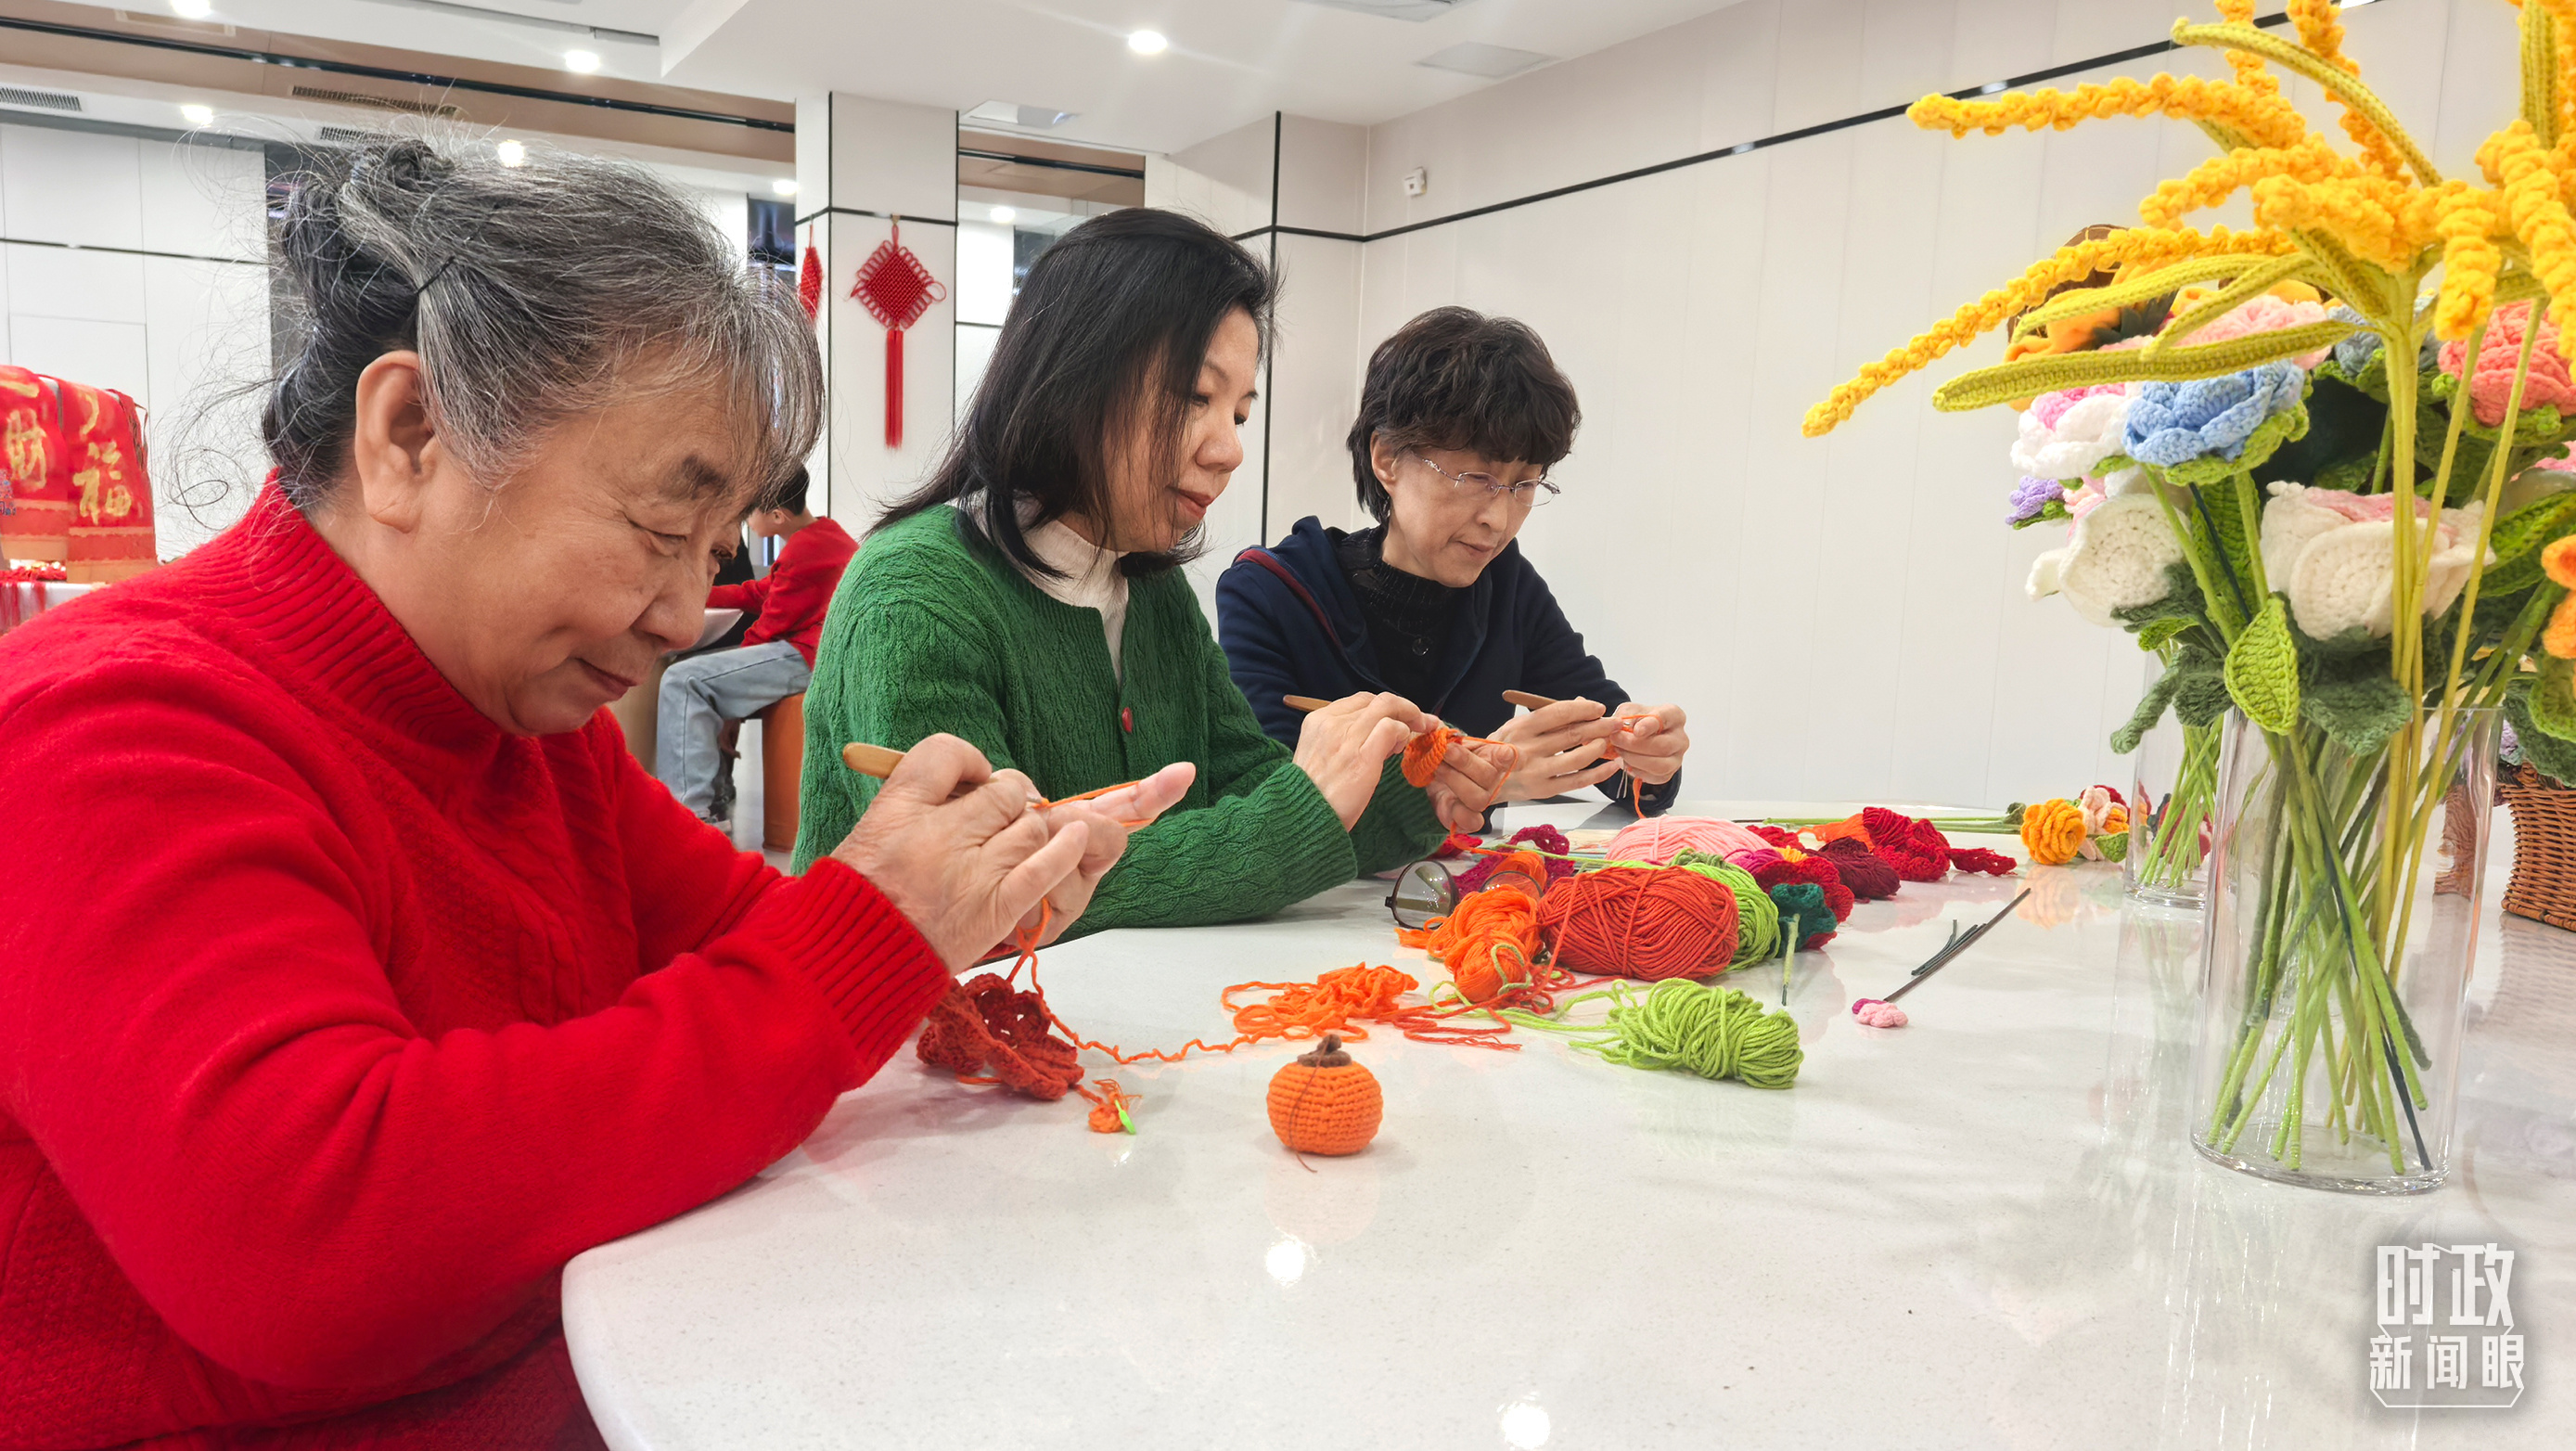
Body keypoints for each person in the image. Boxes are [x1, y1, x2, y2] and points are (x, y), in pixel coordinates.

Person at [0, 136, 1185, 1450]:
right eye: (657, 531)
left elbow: (750, 934)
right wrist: (868, 934)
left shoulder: (515, 717)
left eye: (717, 544)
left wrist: (967, 905)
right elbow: (306, 1241)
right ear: (410, 435)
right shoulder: (113, 721)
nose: (686, 612)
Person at [793, 209, 1503, 934]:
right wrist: (1306, 805)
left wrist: (1415, 790)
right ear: (1072, 381)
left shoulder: (1149, 588)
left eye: (1239, 413)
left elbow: (1246, 782)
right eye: (1195, 398)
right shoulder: (916, 597)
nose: (1227, 450)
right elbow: (998, 896)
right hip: (921, 1035)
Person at [1217, 305, 1690, 816]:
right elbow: (1264, 805)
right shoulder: (1272, 592)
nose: (1499, 518)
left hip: (1473, 895)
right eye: (1477, 479)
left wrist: (1648, 755)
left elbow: (1605, 746)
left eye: (1524, 484)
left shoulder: (1506, 585)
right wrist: (1484, 777)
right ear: (1387, 459)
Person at [657, 466, 855, 824]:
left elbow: (768, 627)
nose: (747, 524)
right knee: (696, 679)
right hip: (814, 653)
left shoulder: (807, 549)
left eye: (750, 515)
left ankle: (692, 816)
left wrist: (733, 708)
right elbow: (761, 592)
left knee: (683, 680)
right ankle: (704, 804)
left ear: (777, 516)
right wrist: (699, 594)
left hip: (806, 657)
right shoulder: (825, 535)